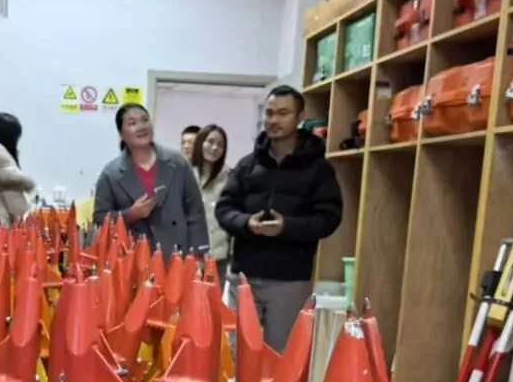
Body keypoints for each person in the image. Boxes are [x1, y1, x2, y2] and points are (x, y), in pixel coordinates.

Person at [215, 86, 342, 352]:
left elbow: (329, 218)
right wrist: (246, 223)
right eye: (270, 113)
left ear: (300, 117)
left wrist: (287, 227)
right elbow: (224, 209)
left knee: (280, 356)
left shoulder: (319, 169)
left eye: (283, 113)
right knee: (235, 355)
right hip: (244, 276)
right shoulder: (247, 165)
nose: (274, 120)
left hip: (289, 279)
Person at [94, 104, 209, 258]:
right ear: (121, 134)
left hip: (176, 254)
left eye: (145, 120)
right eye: (132, 123)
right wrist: (131, 213)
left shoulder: (178, 162)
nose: (142, 126)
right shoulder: (111, 173)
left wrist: (199, 253)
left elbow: (195, 210)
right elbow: (100, 219)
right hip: (132, 256)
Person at [191, 124, 232, 284]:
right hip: (188, 256)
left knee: (212, 300)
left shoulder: (230, 178)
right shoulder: (185, 174)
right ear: (200, 142)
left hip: (217, 258)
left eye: (220, 145)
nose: (215, 148)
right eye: (210, 141)